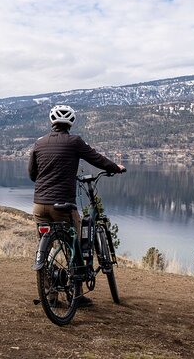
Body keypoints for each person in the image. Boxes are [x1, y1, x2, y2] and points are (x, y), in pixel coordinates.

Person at [28, 104, 125, 306]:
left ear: (52, 122)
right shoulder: (74, 142)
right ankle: (76, 294)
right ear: (70, 123)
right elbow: (96, 158)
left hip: (39, 205)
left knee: (44, 250)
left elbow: (32, 175)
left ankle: (51, 296)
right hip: (62, 206)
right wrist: (115, 167)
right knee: (76, 246)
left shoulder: (39, 143)